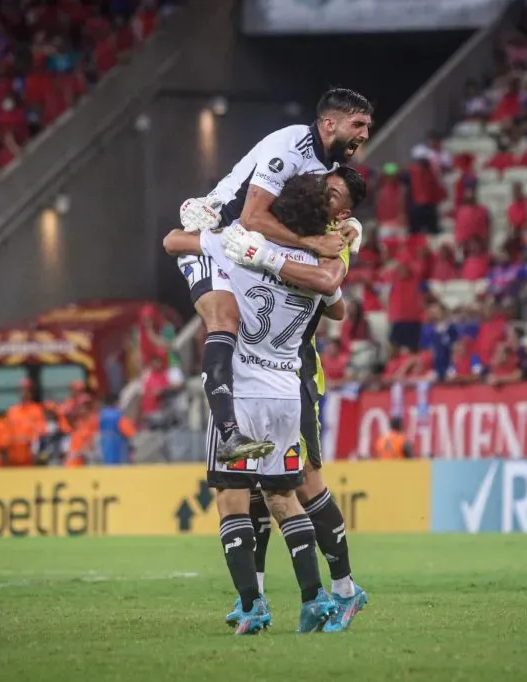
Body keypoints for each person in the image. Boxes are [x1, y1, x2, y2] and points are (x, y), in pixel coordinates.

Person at [163, 174, 345, 636]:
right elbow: (337, 304)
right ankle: (316, 598)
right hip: (286, 394)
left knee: (232, 501)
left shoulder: (238, 245)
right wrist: (340, 240)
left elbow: (174, 242)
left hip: (243, 389)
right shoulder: (315, 265)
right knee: (285, 498)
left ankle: (252, 605)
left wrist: (212, 222)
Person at [177, 88, 373, 463]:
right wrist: (314, 243)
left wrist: (354, 226)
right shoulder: (290, 148)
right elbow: (251, 218)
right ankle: (229, 433)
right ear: (330, 124)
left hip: (247, 253)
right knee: (225, 321)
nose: (365, 134)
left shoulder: (327, 167)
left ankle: (254, 457)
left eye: (367, 126)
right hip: (216, 237)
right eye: (358, 124)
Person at [222, 166, 370, 631]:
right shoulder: (299, 234)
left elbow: (338, 305)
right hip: (259, 375)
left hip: (294, 373)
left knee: (302, 481)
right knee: (260, 488)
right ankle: (256, 596)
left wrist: (337, 250)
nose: (320, 193)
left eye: (332, 192)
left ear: (341, 209)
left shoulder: (329, 241)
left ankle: (344, 587)